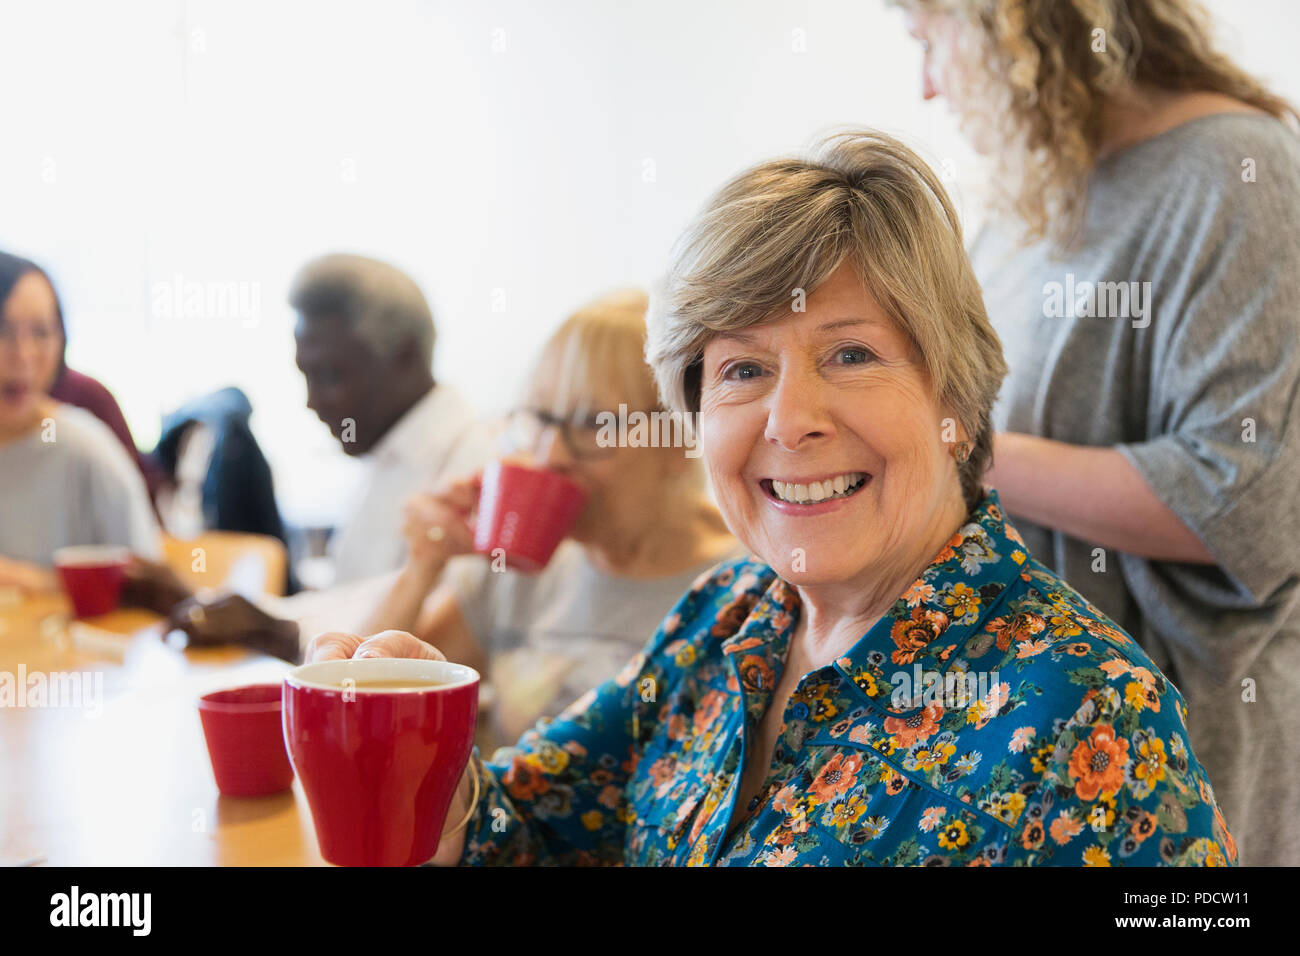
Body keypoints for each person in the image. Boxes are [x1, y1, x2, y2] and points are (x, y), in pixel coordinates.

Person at [306, 131, 1235, 867]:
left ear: (955, 401)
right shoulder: (725, 617)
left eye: (852, 354)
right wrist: (423, 778)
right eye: (744, 368)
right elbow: (536, 832)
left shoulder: (1087, 711)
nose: (791, 421)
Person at [901, 0, 1300, 865]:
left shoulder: (1238, 172)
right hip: (1021, 730)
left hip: (1174, 756)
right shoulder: (1032, 194)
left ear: (1016, 24)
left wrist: (945, 445)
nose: (927, 86)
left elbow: (1245, 503)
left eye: (929, 38)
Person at [357, 289, 742, 748]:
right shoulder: (517, 567)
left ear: (679, 434)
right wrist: (421, 567)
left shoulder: (745, 585)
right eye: (541, 418)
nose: (552, 453)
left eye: (595, 424)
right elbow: (360, 705)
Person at [289, 253, 490, 584]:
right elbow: (347, 604)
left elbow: (432, 632)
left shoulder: (475, 471)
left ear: (405, 357)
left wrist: (279, 629)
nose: (312, 402)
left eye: (330, 376)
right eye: (306, 375)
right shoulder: (382, 455)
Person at [0, 252, 160, 590]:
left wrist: (33, 582)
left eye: (41, 332)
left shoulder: (86, 448)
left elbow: (148, 586)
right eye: (3, 329)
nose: (23, 354)